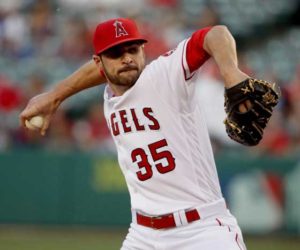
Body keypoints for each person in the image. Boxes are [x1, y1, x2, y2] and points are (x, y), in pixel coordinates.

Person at [20, 18, 250, 249]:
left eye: (132, 49)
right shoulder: (111, 93)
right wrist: (54, 96)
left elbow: (215, 34)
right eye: (116, 53)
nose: (127, 58)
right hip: (144, 235)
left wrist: (230, 73)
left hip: (201, 229)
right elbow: (104, 72)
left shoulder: (166, 74)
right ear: (99, 63)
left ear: (143, 50)